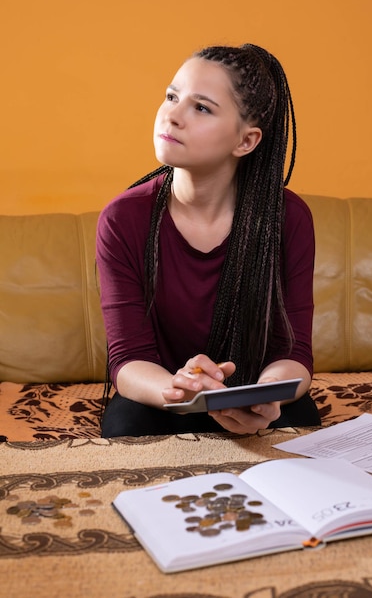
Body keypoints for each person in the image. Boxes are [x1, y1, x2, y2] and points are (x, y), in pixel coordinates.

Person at [96, 43, 321, 437]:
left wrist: (264, 397)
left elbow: (295, 354)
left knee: (300, 422)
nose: (172, 115)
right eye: (171, 96)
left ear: (246, 141)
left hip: (254, 390)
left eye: (201, 107)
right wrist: (182, 389)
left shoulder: (290, 218)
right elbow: (128, 360)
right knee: (124, 426)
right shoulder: (121, 219)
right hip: (163, 393)